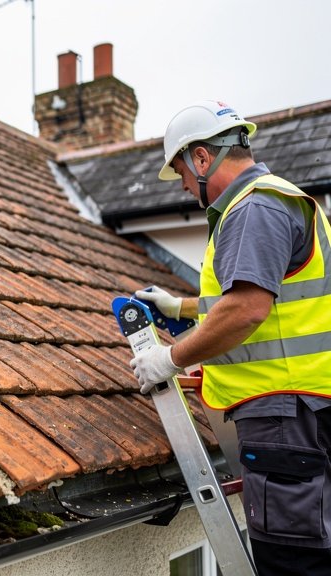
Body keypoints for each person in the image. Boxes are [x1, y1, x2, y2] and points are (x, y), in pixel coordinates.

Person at [131, 100, 331, 575]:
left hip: (284, 414)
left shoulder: (252, 208)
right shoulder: (282, 199)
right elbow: (270, 302)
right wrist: (179, 307)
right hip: (309, 408)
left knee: (293, 561)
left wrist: (169, 359)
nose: (183, 186)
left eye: (182, 171)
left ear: (202, 158)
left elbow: (246, 311)